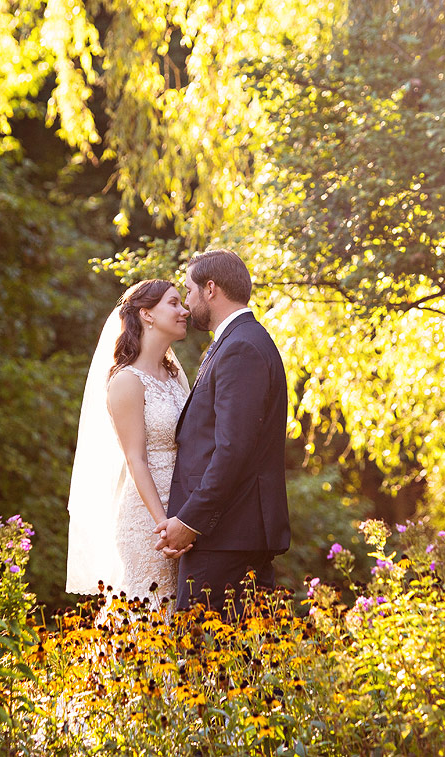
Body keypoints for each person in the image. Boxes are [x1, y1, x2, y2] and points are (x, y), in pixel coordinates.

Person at [155, 249, 291, 615]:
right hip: (236, 534)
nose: (187, 302)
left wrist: (190, 521)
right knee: (240, 664)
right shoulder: (240, 341)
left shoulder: (241, 347)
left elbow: (232, 450)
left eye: (190, 291)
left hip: (226, 537)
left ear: (210, 289)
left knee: (201, 660)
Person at [65, 280, 191, 609]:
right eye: (174, 303)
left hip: (183, 514)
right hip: (149, 522)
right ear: (147, 314)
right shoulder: (126, 381)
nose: (185, 311)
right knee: (150, 622)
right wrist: (163, 525)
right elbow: (136, 460)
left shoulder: (176, 376)